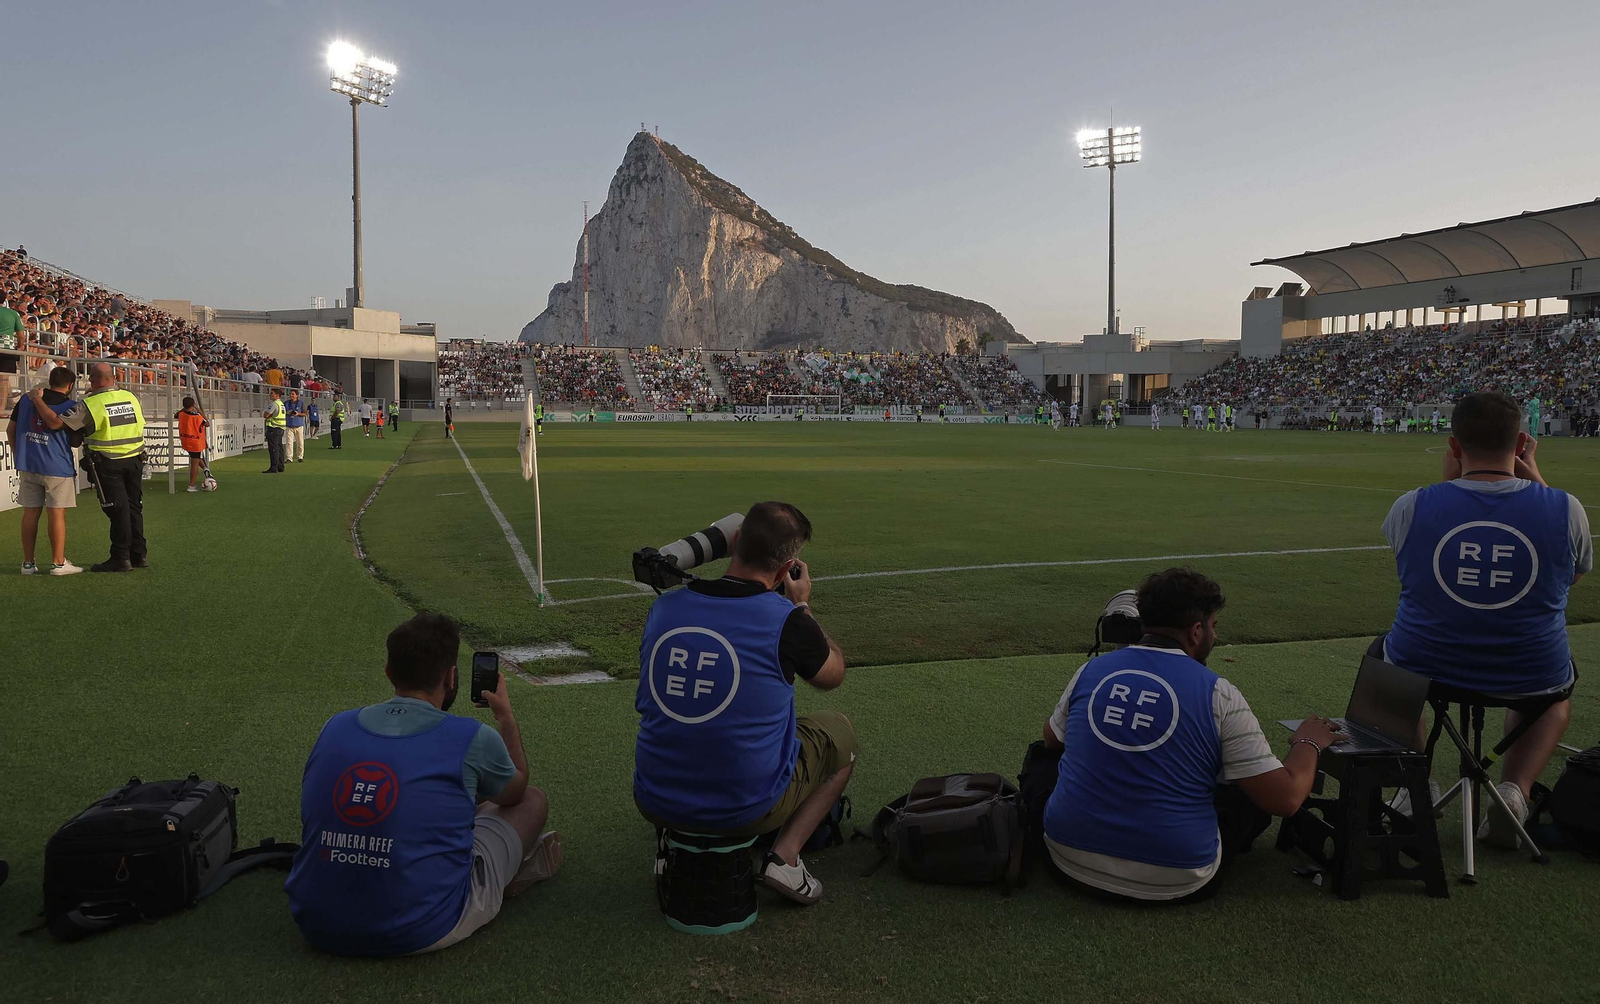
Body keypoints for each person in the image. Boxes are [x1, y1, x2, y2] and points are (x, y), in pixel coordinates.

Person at [1039, 568, 1342, 903]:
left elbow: (1052, 740)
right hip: (1176, 879)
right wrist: (1308, 742)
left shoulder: (1091, 670)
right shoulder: (1219, 693)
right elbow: (1286, 799)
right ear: (1196, 631)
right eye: (1213, 625)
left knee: (1044, 758)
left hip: (1066, 858)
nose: (1215, 635)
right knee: (1244, 795)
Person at [1377, 390, 1590, 842]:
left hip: (1425, 669)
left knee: (1383, 661)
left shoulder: (1411, 506)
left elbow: (1415, 568)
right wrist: (1535, 479)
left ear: (1454, 446)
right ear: (1521, 444)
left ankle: (1414, 783)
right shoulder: (1565, 508)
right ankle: (1515, 790)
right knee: (1554, 693)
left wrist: (1446, 486)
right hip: (1531, 674)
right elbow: (1569, 574)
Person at [284, 613, 562, 956]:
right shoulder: (471, 737)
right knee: (532, 801)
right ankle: (502, 874)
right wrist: (505, 718)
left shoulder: (335, 726)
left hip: (316, 922)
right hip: (424, 926)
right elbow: (515, 792)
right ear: (451, 676)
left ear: (389, 672)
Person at [634, 502, 853, 905]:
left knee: (682, 719)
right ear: (787, 568)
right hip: (746, 808)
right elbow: (832, 674)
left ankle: (669, 846)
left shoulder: (664, 609)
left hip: (653, 798)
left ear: (734, 541)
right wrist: (802, 605)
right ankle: (785, 858)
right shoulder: (786, 620)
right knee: (839, 733)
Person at [47, 362, 148, 571]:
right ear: (113, 378)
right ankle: (138, 555)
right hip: (135, 459)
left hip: (108, 462)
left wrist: (37, 400)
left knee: (118, 510)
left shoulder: (90, 403)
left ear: (92, 380)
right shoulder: (130, 397)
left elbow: (56, 423)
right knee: (133, 507)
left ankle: (121, 557)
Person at [7, 367, 83, 574]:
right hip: (57, 466)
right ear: (70, 385)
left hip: (28, 464)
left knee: (30, 512)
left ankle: (28, 563)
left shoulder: (25, 399)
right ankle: (58, 563)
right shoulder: (72, 406)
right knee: (56, 513)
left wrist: (19, 454)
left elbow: (11, 430)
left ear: (50, 381)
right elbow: (75, 441)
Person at [176, 396, 209, 492]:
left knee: (195, 457)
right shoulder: (197, 416)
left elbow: (176, 415)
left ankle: (205, 468)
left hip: (185, 440)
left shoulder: (181, 414)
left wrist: (185, 408)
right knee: (194, 463)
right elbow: (207, 423)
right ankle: (191, 485)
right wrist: (198, 410)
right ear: (193, 405)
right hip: (195, 442)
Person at [0, 290, 24, 408]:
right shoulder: (13, 314)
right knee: (3, 380)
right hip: (7, 347)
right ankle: (1, 408)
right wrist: (20, 346)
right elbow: (21, 335)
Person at [284, 389, 307, 463]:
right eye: (290, 394)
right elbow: (283, 412)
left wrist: (298, 414)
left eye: (293, 394)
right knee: (289, 443)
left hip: (299, 425)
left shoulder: (301, 403)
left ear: (297, 395)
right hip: (289, 425)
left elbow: (305, 413)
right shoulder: (286, 403)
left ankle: (300, 456)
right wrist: (287, 412)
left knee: (300, 442)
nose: (291, 395)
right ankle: (289, 458)